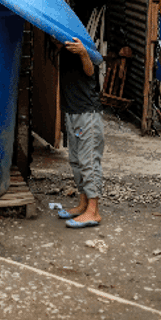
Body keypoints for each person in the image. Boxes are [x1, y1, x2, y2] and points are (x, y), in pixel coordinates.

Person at [56, 36, 105, 228]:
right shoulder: (63, 51)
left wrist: (84, 52)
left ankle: (93, 211)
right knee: (76, 161)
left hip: (87, 114)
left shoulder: (82, 48)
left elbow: (90, 71)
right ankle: (83, 204)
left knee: (89, 161)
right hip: (73, 111)